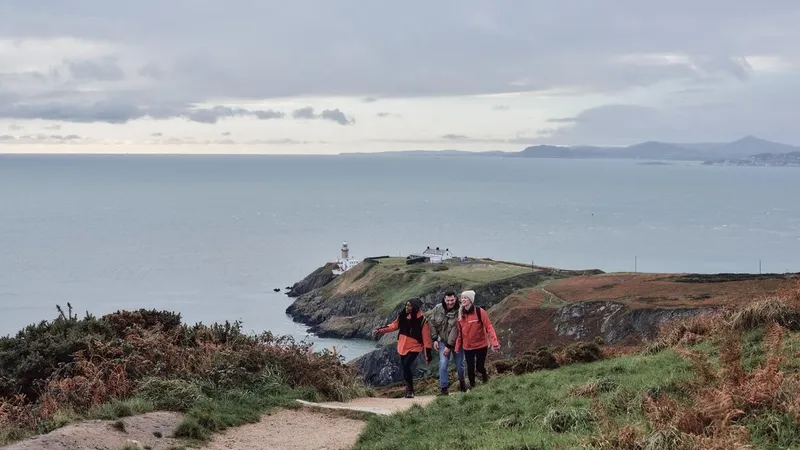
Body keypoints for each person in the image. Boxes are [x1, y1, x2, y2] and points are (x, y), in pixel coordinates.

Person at [373, 297, 433, 398]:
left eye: (409, 305)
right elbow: (393, 326)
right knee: (405, 368)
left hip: (415, 347)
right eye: (406, 305)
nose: (406, 307)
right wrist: (379, 330)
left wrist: (428, 355)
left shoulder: (423, 321)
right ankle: (408, 389)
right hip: (402, 346)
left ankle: (410, 390)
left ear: (415, 307)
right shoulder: (402, 316)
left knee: (406, 365)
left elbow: (426, 339)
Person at [455, 290, 500, 390]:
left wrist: (494, 342)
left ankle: (485, 379)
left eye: (465, 298)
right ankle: (473, 388)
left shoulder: (480, 312)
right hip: (467, 347)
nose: (463, 299)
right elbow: (460, 334)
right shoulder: (460, 315)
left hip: (481, 345)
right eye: (462, 298)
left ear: (470, 300)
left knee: (479, 367)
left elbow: (489, 327)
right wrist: (457, 347)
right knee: (470, 368)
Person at [428, 290, 466, 395]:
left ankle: (462, 383)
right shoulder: (437, 308)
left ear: (456, 299)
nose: (450, 303)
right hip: (442, 341)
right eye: (448, 300)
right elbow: (432, 323)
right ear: (444, 299)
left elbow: (456, 329)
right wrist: (435, 339)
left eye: (452, 300)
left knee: (460, 365)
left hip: (457, 343)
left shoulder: (460, 310)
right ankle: (444, 389)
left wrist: (449, 346)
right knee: (443, 364)